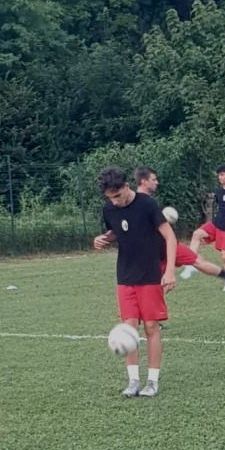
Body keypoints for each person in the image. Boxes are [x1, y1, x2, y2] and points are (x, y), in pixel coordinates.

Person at [93, 167, 176, 398]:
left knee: (151, 327)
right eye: (110, 198)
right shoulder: (109, 209)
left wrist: (170, 271)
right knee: (129, 328)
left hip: (149, 274)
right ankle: (133, 381)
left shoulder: (147, 204)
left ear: (127, 186)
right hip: (125, 276)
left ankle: (152, 381)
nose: (115, 201)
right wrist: (104, 238)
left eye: (117, 195)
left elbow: (169, 236)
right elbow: (117, 231)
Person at [133, 166, 225, 292]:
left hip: (168, 245)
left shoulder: (142, 202)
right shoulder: (142, 204)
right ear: (144, 181)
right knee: (157, 285)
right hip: (158, 250)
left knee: (197, 260)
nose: (157, 182)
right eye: (154, 179)